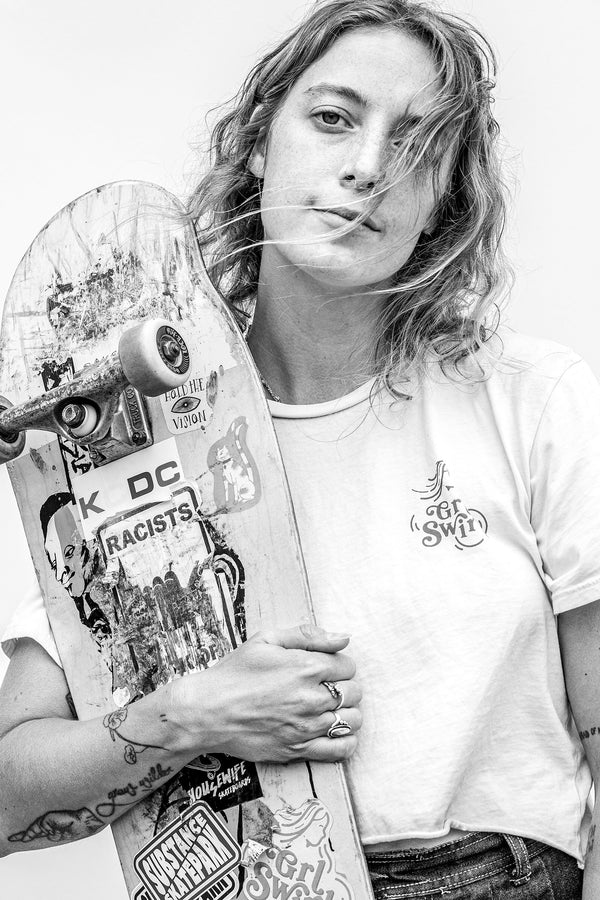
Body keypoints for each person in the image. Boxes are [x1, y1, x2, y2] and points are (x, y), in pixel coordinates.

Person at [1, 1, 599, 897]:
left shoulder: (533, 400)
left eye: (419, 144)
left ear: (448, 201)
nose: (367, 167)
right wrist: (191, 715)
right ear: (257, 144)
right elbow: (8, 800)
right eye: (333, 118)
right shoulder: (122, 440)